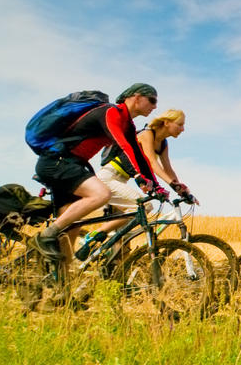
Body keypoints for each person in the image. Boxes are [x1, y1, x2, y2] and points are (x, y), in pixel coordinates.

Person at [31, 83, 167, 260]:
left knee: (71, 229)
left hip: (73, 165)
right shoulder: (111, 112)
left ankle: (60, 283)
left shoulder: (128, 124)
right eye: (152, 100)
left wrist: (156, 186)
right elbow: (123, 146)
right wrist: (139, 178)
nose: (155, 106)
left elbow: (139, 156)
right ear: (137, 97)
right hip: (57, 162)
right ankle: (45, 237)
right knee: (102, 194)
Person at [74, 108, 195, 261]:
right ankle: (93, 237)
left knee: (122, 237)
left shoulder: (163, 143)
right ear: (166, 122)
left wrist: (181, 189)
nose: (183, 129)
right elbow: (152, 163)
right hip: (109, 177)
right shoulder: (146, 134)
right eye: (180, 124)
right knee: (144, 207)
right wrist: (167, 185)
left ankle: (109, 264)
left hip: (121, 180)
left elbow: (168, 168)